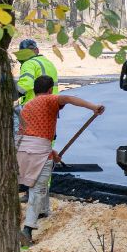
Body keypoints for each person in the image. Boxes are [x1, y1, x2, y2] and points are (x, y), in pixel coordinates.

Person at [16, 75, 104, 241]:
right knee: (37, 188)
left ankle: (43, 211)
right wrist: (93, 107)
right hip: (39, 152)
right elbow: (69, 98)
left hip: (23, 150)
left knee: (38, 182)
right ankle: (28, 229)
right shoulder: (49, 99)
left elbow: (30, 134)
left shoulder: (27, 106)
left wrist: (51, 151)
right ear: (50, 90)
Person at [15, 38, 58, 105]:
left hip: (35, 105)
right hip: (52, 104)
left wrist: (11, 95)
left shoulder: (28, 63)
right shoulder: (48, 63)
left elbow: (26, 84)